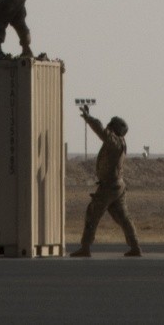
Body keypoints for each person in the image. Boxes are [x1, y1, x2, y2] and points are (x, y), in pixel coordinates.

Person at [70, 103, 141, 257]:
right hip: (118, 186)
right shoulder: (121, 143)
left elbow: (101, 130)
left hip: (109, 187)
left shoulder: (114, 143)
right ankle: (135, 246)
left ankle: (85, 247)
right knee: (123, 217)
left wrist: (89, 118)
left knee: (92, 214)